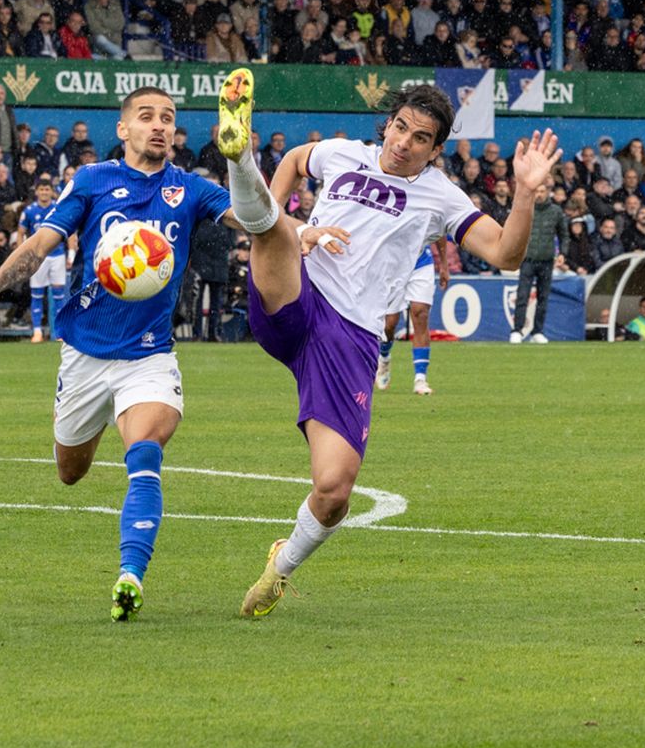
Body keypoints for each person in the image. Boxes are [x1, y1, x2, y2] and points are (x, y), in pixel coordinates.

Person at [217, 71, 558, 618]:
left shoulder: (440, 196)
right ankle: (239, 158)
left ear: (436, 149)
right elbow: (296, 161)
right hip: (298, 293)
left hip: (350, 337)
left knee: (334, 490)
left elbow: (505, 255)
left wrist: (524, 193)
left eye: (420, 138)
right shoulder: (343, 154)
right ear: (388, 124)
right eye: (400, 127)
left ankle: (279, 568)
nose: (404, 143)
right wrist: (295, 221)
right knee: (274, 231)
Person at [0, 86, 271, 623]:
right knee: (70, 472)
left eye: (168, 118)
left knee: (146, 451)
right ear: (123, 129)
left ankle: (131, 574)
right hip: (84, 353)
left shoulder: (191, 189)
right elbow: (40, 245)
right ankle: (101, 420)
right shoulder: (91, 180)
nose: (159, 126)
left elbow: (257, 221)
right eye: (146, 117)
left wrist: (245, 164)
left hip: (149, 356)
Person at [379, 240, 448, 395]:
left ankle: (420, 379)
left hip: (421, 262)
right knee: (389, 324)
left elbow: (440, 230)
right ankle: (384, 357)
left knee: (420, 314)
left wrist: (443, 264)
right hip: (393, 264)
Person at [508, 181, 560, 344]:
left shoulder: (556, 211)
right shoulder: (525, 210)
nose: (539, 194)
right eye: (536, 191)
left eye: (542, 191)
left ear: (547, 192)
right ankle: (517, 330)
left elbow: (564, 234)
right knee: (522, 296)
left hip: (546, 261)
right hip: (527, 260)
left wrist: (563, 253)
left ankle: (538, 331)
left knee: (543, 298)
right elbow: (515, 232)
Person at [17, 178, 68, 343]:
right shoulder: (29, 211)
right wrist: (21, 256)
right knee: (37, 294)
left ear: (52, 191)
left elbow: (71, 231)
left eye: (47, 189)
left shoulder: (59, 208)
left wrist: (72, 254)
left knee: (59, 295)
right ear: (36, 191)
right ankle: (37, 331)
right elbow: (21, 233)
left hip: (57, 255)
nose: (44, 192)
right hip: (38, 257)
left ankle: (59, 332)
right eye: (41, 189)